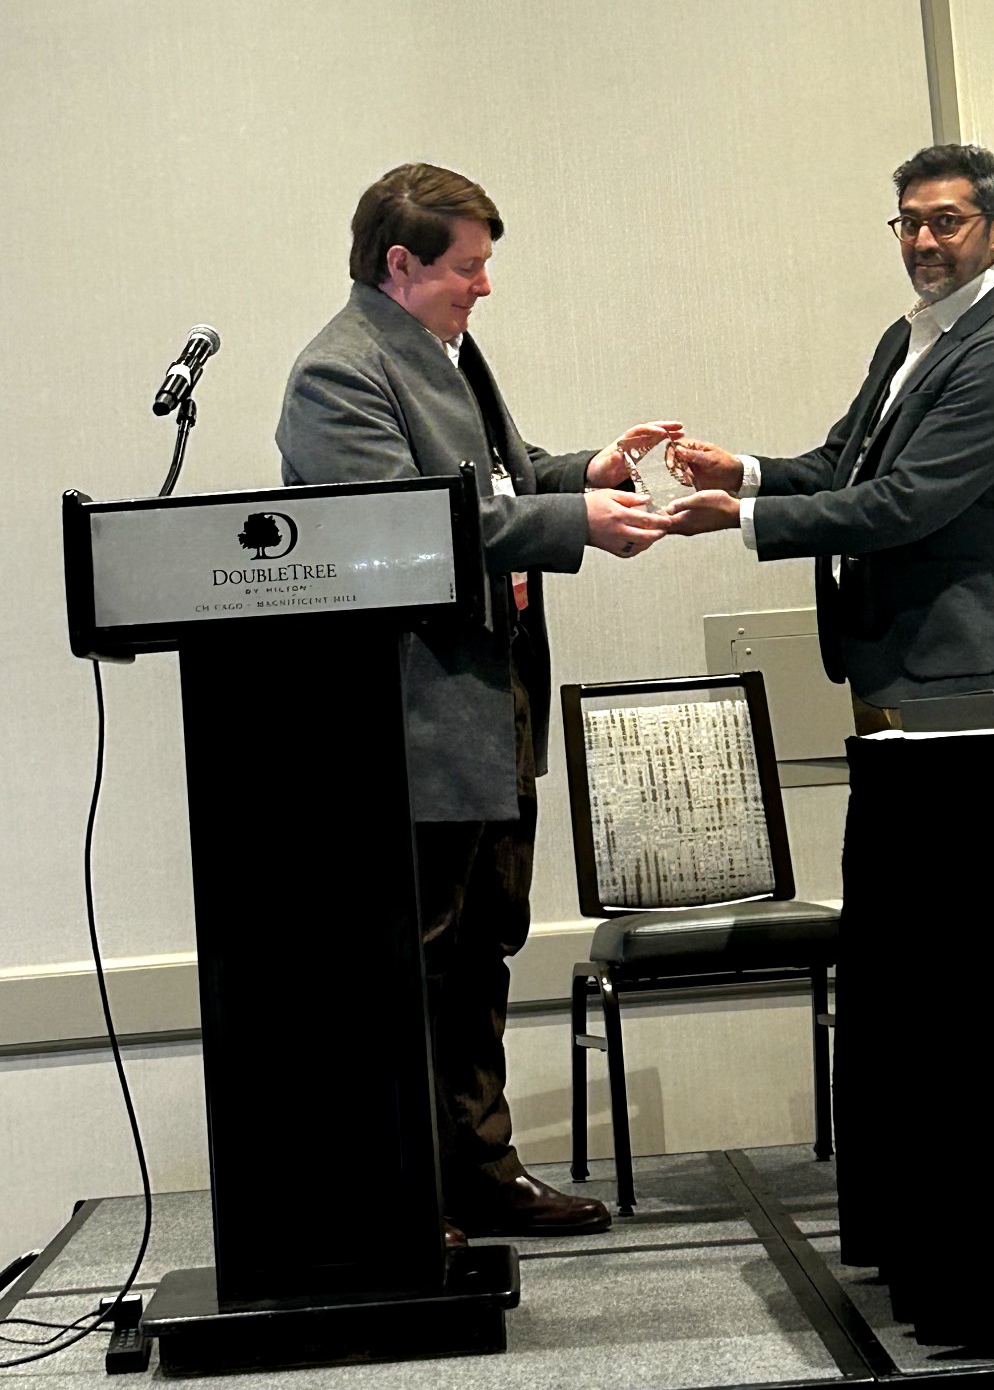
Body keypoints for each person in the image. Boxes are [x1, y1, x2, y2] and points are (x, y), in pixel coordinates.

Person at [277, 163, 675, 1239]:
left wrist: (587, 471)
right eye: (470, 266)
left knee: (479, 949)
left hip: (490, 707)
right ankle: (404, 1191)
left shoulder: (442, 348)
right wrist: (576, 524)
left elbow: (496, 480)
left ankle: (480, 1171)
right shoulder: (339, 373)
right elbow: (408, 529)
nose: (485, 285)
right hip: (411, 716)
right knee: (413, 961)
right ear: (400, 263)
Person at [665, 143, 994, 728]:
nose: (923, 242)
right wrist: (742, 475)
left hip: (959, 668)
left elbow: (903, 504)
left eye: (946, 222)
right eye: (910, 222)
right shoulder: (911, 335)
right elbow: (842, 465)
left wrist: (740, 517)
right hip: (888, 661)